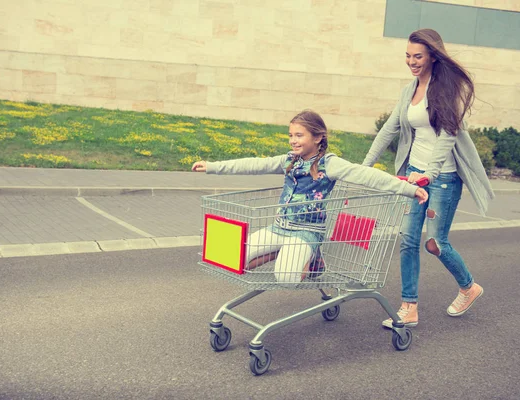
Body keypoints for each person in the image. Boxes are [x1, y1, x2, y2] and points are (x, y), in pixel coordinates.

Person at [192, 110, 428, 284]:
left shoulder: (329, 164)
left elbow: (367, 176)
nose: (293, 140)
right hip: (279, 228)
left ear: (317, 138)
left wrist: (408, 189)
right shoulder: (289, 160)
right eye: (291, 135)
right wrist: (213, 166)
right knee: (233, 258)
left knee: (286, 277)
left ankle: (311, 258)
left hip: (307, 231)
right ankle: (283, 253)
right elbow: (253, 164)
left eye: (299, 135)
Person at [361, 29, 495, 328]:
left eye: (417, 56)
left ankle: (468, 286)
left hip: (443, 178)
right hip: (414, 176)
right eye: (408, 56)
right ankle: (409, 307)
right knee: (408, 240)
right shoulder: (408, 90)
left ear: (433, 56)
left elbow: (448, 135)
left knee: (435, 243)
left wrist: (430, 173)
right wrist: (365, 166)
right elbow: (389, 129)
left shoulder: (448, 89)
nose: (411, 61)